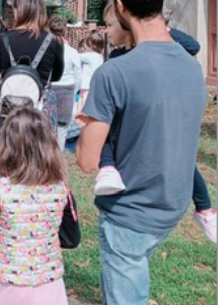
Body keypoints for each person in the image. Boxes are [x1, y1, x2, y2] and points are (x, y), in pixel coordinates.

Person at [76, 0, 207, 303]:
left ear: (121, 7)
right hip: (171, 205)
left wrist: (87, 122)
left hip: (130, 212)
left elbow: (86, 160)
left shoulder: (114, 72)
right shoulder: (191, 66)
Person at [90, 1, 217, 243]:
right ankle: (108, 169)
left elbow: (193, 45)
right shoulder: (117, 59)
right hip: (128, 128)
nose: (105, 31)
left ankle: (205, 208)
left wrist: (157, 28)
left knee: (186, 163)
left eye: (109, 25)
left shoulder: (160, 51)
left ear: (125, 22)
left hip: (158, 122)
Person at [0, 107, 70, 305]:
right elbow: (71, 238)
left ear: (6, 146)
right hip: (49, 285)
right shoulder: (61, 190)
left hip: (10, 286)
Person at [0, 0, 64, 184]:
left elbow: (0, 70)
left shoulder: (4, 39)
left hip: (9, 106)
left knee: (7, 147)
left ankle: (3, 188)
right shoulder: (52, 41)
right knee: (39, 148)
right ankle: (40, 186)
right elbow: (57, 76)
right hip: (40, 104)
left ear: (20, 11)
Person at [48, 15, 82, 152]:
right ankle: (58, 160)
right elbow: (78, 76)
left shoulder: (46, 50)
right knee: (61, 131)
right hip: (67, 91)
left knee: (46, 128)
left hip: (49, 89)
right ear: (65, 31)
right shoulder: (73, 52)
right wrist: (74, 93)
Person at [76, 30, 104, 114]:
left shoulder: (91, 56)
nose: (84, 46)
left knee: (82, 105)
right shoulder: (99, 56)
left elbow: (75, 56)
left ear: (93, 46)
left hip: (86, 86)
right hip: (91, 86)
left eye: (87, 44)